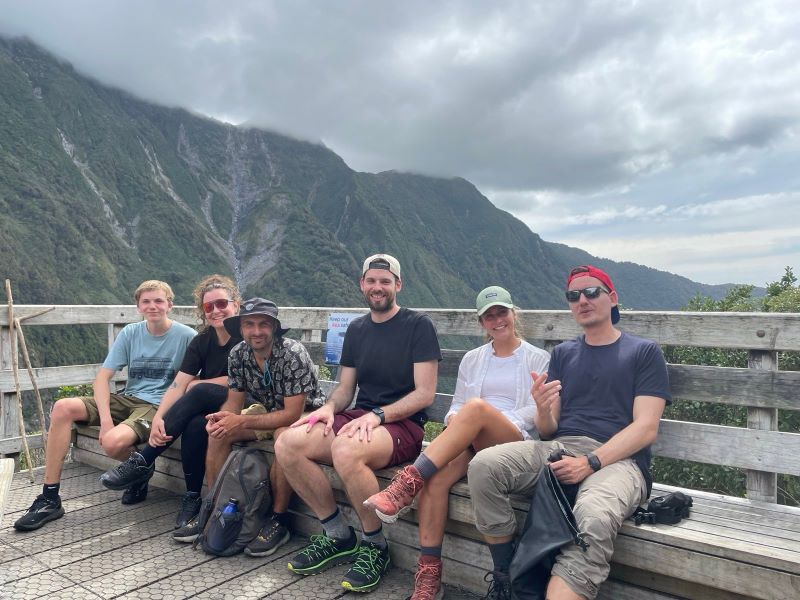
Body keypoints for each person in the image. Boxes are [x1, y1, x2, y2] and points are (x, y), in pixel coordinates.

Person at [467, 265, 671, 600]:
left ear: (612, 298)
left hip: (621, 460)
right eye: (574, 295)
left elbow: (646, 428)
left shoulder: (644, 352)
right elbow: (549, 430)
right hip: (562, 446)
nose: (583, 300)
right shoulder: (563, 354)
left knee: (592, 516)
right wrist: (543, 409)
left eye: (592, 292)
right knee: (484, 467)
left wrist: (590, 462)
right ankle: (507, 577)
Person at [364, 286, 550, 600]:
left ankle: (404, 485)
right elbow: (456, 405)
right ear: (482, 323)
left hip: (512, 442)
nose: (497, 320)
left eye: (501, 312)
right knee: (434, 481)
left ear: (513, 314)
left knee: (477, 408)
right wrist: (458, 422)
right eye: (489, 316)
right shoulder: (473, 358)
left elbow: (535, 410)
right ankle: (430, 575)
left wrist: (484, 420)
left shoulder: (537, 357)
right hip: (471, 439)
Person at [275, 253, 442, 593]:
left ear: (398, 285)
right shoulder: (357, 329)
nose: (377, 287)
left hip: (403, 425)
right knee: (288, 442)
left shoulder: (417, 326)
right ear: (362, 285)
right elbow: (345, 389)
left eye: (385, 281)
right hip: (361, 418)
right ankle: (338, 534)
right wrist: (329, 410)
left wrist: (378, 415)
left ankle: (375, 546)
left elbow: (425, 394)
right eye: (371, 280)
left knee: (346, 450)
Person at [14, 280, 196, 531]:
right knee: (62, 407)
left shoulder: (186, 336)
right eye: (146, 301)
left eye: (158, 301)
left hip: (156, 404)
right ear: (138, 306)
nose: (153, 306)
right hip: (128, 397)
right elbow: (102, 377)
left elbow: (193, 381)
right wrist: (106, 420)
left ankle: (139, 469)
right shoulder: (131, 332)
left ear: (170, 305)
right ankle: (50, 497)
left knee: (111, 443)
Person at [172, 297, 324, 558]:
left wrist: (241, 420)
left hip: (306, 414)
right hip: (267, 410)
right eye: (249, 324)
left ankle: (279, 519)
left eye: (263, 324)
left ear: (274, 328)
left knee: (282, 437)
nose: (256, 331)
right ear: (240, 329)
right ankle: (214, 508)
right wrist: (223, 419)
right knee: (219, 432)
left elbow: (291, 414)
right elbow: (233, 403)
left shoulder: (292, 353)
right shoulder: (238, 353)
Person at [99, 274, 242, 528]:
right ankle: (192, 497)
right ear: (203, 311)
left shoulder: (244, 337)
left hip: (244, 402)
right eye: (209, 306)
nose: (216, 311)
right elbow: (178, 385)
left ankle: (143, 460)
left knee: (196, 390)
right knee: (194, 426)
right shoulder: (202, 341)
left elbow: (242, 380)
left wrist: (200, 384)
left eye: (222, 304)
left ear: (236, 305)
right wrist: (158, 419)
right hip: (209, 405)